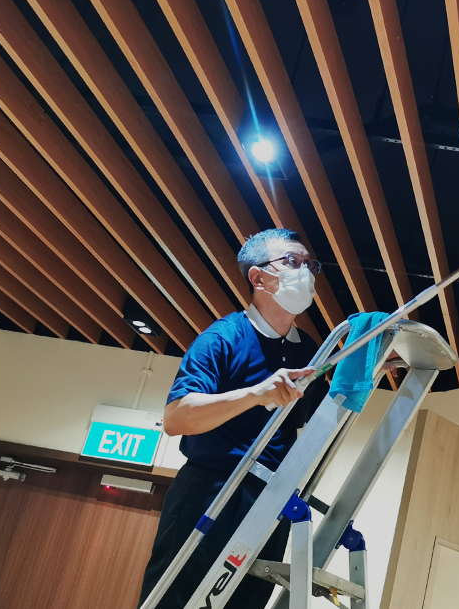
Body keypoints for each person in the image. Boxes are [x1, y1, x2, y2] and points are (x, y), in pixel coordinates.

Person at [139, 228, 330, 609]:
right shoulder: (223, 338)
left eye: (310, 265)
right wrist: (255, 394)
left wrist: (368, 371)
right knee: (177, 599)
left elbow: (318, 416)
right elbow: (176, 418)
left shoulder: (310, 350)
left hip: (271, 497)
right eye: (292, 261)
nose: (305, 272)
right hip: (212, 489)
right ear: (258, 277)